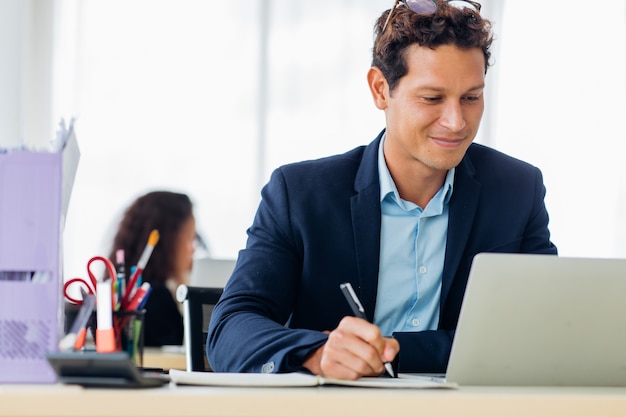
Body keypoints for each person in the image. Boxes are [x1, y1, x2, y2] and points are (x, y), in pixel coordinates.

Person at [207, 0, 557, 379]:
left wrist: (397, 351)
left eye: (471, 97)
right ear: (379, 90)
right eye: (432, 98)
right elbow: (231, 329)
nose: (456, 122)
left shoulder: (518, 190)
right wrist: (318, 353)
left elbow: (542, 334)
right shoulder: (300, 194)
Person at [108, 190, 197, 347]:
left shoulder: (116, 290)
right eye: (189, 238)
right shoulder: (158, 298)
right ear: (169, 240)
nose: (193, 249)